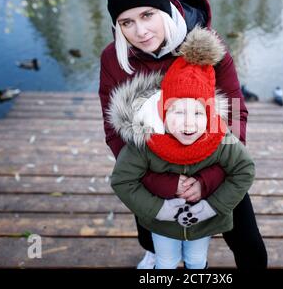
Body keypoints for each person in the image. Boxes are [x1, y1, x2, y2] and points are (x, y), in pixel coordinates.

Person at [99, 0, 268, 269]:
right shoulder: (114, 60)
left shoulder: (206, 46)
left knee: (249, 245)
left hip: (212, 158)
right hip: (152, 166)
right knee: (151, 232)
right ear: (118, 25)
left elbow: (235, 114)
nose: (140, 31)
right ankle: (155, 252)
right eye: (127, 22)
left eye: (147, 15)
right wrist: (163, 183)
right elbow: (115, 133)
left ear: (163, 8)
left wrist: (208, 180)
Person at [109, 27, 255, 269]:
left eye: (198, 112)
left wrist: (211, 207)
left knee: (196, 261)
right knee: (166, 261)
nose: (188, 122)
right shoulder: (147, 141)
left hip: (202, 223)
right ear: (163, 113)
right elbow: (122, 180)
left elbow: (244, 169)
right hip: (163, 223)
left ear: (209, 115)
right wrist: (159, 209)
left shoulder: (221, 139)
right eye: (177, 111)